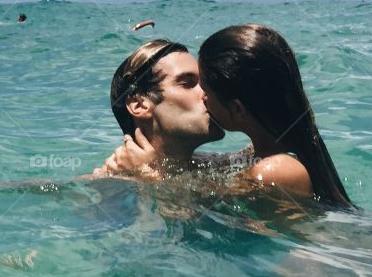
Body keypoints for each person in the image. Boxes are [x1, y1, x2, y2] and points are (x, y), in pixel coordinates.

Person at [102, 26, 354, 207]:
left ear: (237, 108)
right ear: (139, 105)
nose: (206, 94)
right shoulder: (227, 163)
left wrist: (149, 176)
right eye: (188, 83)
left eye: (206, 84)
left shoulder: (275, 169)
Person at [98, 40, 229, 178]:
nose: (208, 91)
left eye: (204, 82)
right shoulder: (106, 188)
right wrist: (145, 174)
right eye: (188, 83)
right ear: (139, 105)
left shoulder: (217, 164)